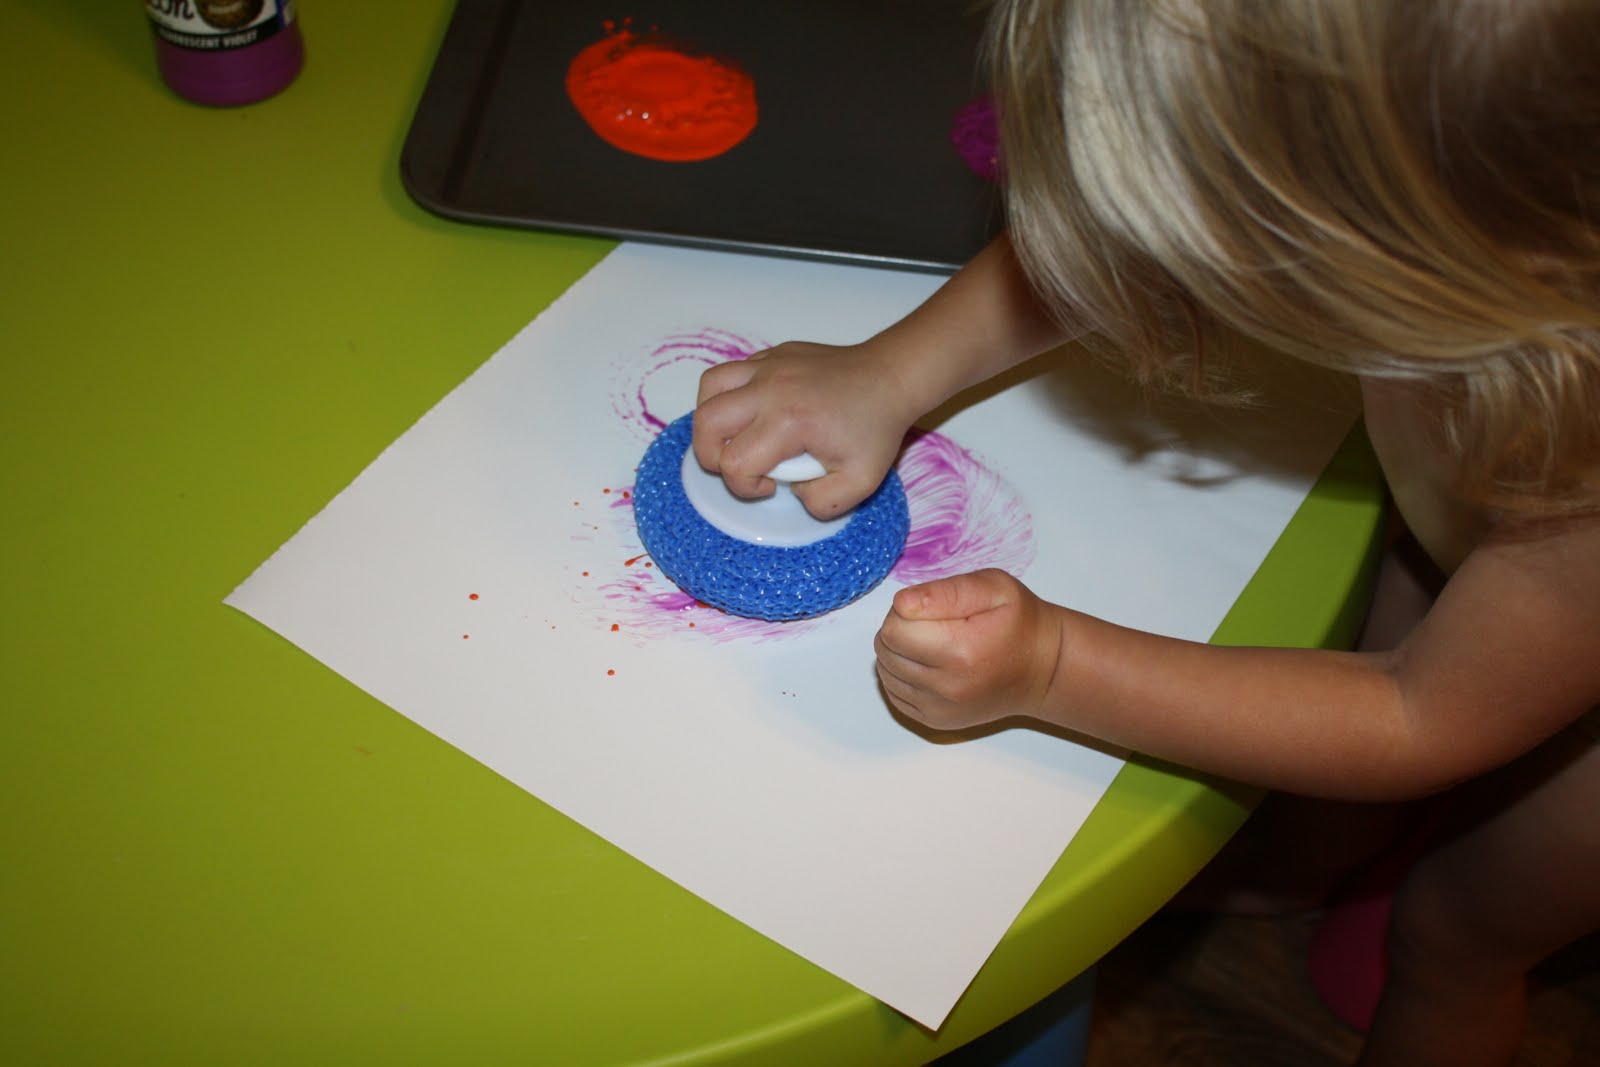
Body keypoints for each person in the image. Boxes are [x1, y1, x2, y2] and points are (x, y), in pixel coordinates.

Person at [690, 1, 1600, 1064]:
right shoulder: (1474, 232)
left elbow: (1416, 712)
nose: (1148, 283)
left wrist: (1057, 663)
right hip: (1469, 528)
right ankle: (1301, 865)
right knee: (1367, 654)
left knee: (1451, 928)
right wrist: (889, 370)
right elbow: (1118, 242)